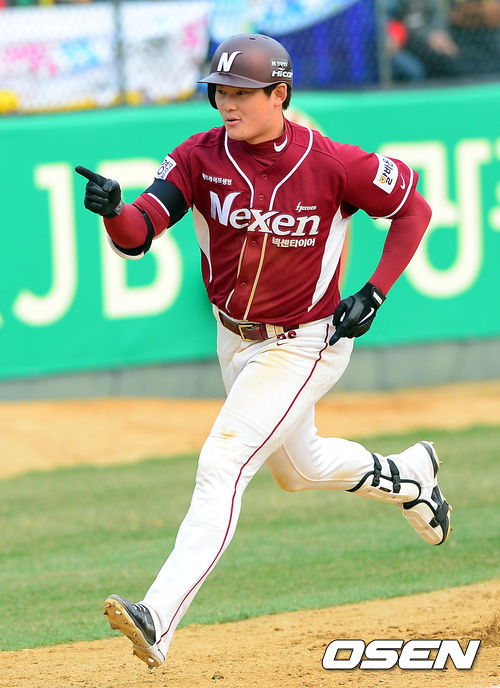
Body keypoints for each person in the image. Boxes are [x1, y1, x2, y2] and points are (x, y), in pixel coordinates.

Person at [75, 33, 452, 670]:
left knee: (223, 462)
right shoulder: (198, 157)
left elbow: (413, 209)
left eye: (242, 92)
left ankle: (158, 616)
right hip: (235, 338)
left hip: (304, 343)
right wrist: (114, 212)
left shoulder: (332, 162)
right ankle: (410, 475)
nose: (227, 103)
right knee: (298, 469)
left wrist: (376, 291)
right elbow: (140, 232)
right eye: (219, 91)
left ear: (280, 94)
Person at [387, 0, 463, 80]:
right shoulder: (398, 4)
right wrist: (428, 36)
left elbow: (437, 17)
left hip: (435, 36)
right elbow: (403, 26)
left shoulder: (430, 3)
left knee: (452, 52)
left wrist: (440, 34)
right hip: (412, 41)